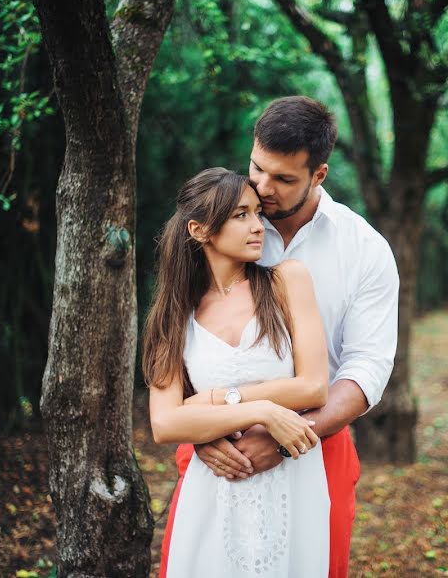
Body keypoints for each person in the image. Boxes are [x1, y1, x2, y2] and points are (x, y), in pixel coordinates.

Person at [158, 96, 400, 578]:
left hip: (318, 439)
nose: (263, 188)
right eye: (257, 168)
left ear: (319, 175)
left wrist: (290, 436)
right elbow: (180, 339)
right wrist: (206, 431)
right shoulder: (224, 220)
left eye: (284, 179)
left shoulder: (364, 249)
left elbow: (366, 368)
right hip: (215, 446)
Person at [145, 167, 332, 577]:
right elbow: (164, 422)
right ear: (199, 229)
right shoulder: (173, 315)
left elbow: (315, 386)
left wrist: (212, 401)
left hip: (292, 483)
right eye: (240, 215)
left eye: (256, 214)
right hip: (215, 486)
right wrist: (261, 410)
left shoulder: (287, 280)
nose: (257, 227)